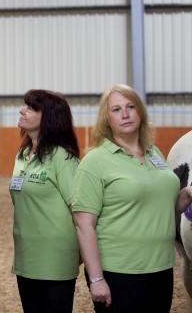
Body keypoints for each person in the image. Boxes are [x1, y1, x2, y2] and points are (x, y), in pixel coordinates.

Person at [71, 84, 192, 312]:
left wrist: (188, 194)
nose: (124, 114)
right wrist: (96, 279)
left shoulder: (154, 153)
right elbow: (83, 224)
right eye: (116, 109)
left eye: (130, 107)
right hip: (119, 274)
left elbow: (165, 205)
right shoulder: (95, 161)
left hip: (161, 269)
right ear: (106, 119)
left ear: (141, 112)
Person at [10, 90, 80, 313]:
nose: (22, 110)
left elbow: (79, 209)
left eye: (31, 108)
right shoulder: (22, 155)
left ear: (49, 117)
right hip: (25, 259)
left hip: (55, 259)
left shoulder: (63, 157)